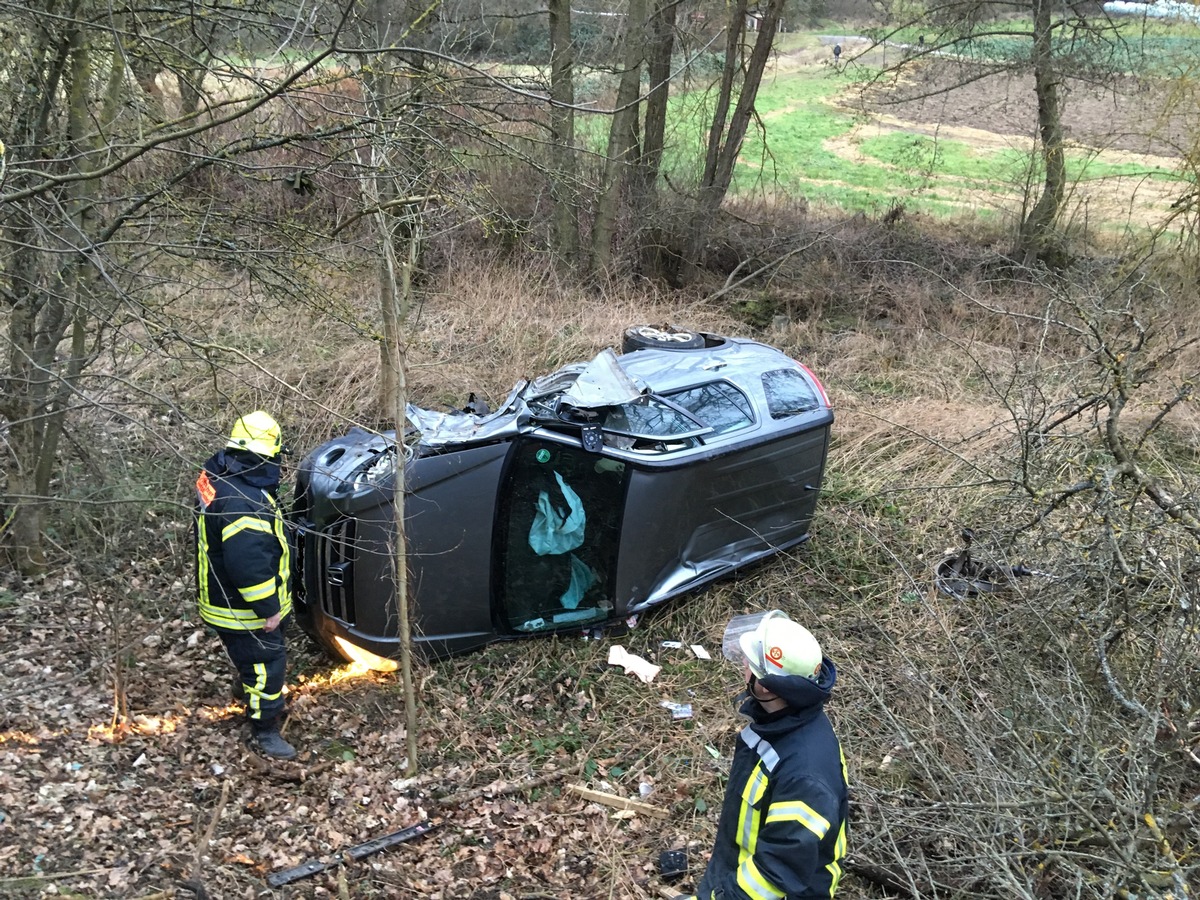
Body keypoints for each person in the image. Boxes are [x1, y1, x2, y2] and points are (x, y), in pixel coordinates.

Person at [693, 610, 849, 900]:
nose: (742, 662)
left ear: (765, 686)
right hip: (734, 875)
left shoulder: (805, 777)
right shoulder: (779, 723)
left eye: (750, 661)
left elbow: (773, 877)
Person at [195, 411, 296, 760]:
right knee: (268, 663)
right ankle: (264, 729)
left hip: (219, 597)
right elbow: (248, 566)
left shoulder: (218, 476)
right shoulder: (245, 505)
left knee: (250, 658)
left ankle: (246, 688)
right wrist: (268, 609)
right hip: (242, 608)